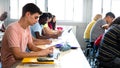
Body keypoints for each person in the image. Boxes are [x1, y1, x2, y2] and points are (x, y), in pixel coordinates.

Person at [1, 3, 54, 68]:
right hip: (12, 64)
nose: (37, 21)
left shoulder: (27, 27)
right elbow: (17, 55)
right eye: (36, 17)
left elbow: (31, 46)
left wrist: (45, 51)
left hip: (21, 60)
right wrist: (41, 53)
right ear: (28, 14)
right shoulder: (12, 29)